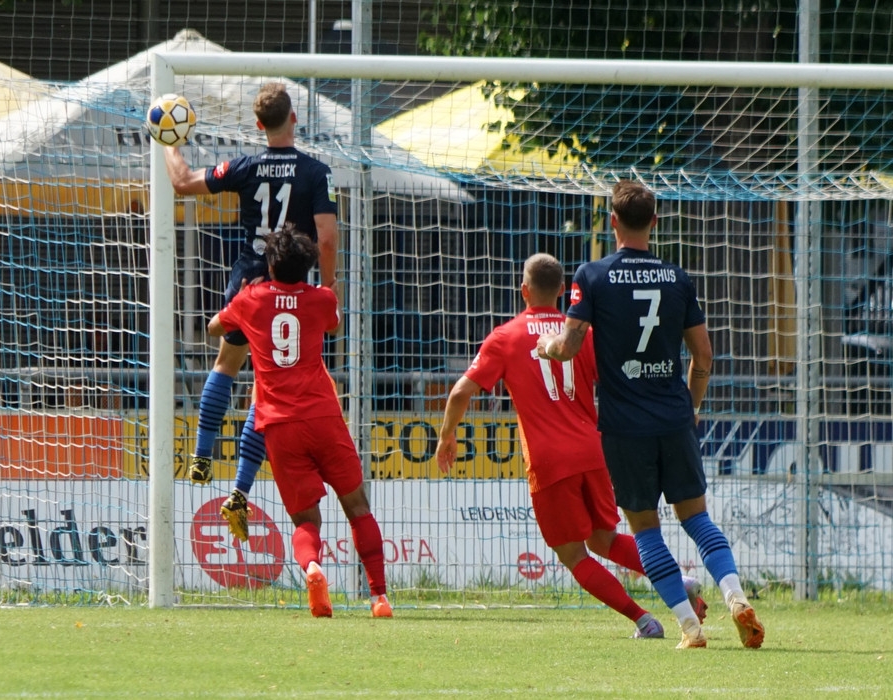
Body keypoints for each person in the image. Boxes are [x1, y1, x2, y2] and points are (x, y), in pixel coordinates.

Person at [537, 179, 765, 649]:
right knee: (697, 519)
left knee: (644, 529)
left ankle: (690, 627)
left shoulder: (592, 275)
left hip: (625, 426)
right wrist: (692, 406)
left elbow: (570, 346)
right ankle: (736, 597)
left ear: (613, 221)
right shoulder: (677, 278)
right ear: (655, 223)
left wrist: (545, 346)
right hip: (674, 418)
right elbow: (703, 356)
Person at [435, 253, 706, 640]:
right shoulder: (583, 335)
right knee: (604, 539)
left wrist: (447, 436)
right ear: (562, 291)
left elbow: (462, 392)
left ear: (523, 290)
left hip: (548, 460)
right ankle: (680, 578)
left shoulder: (505, 337)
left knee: (573, 554)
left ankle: (644, 620)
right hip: (593, 449)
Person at [162, 81, 339, 543]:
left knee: (225, 363)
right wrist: (329, 285)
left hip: (248, 283)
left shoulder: (244, 165)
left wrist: (169, 142)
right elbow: (326, 236)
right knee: (269, 390)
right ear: (294, 118)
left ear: (258, 125)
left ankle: (202, 453)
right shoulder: (316, 171)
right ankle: (239, 489)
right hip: (292, 286)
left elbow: (182, 183)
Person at [207, 223, 391, 618]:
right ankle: (379, 598)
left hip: (279, 424)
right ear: (306, 266)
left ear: (270, 265)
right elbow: (334, 323)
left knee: (306, 519)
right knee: (358, 507)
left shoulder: (251, 298)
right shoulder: (320, 298)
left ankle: (312, 568)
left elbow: (214, 328)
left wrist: (241, 303)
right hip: (323, 415)